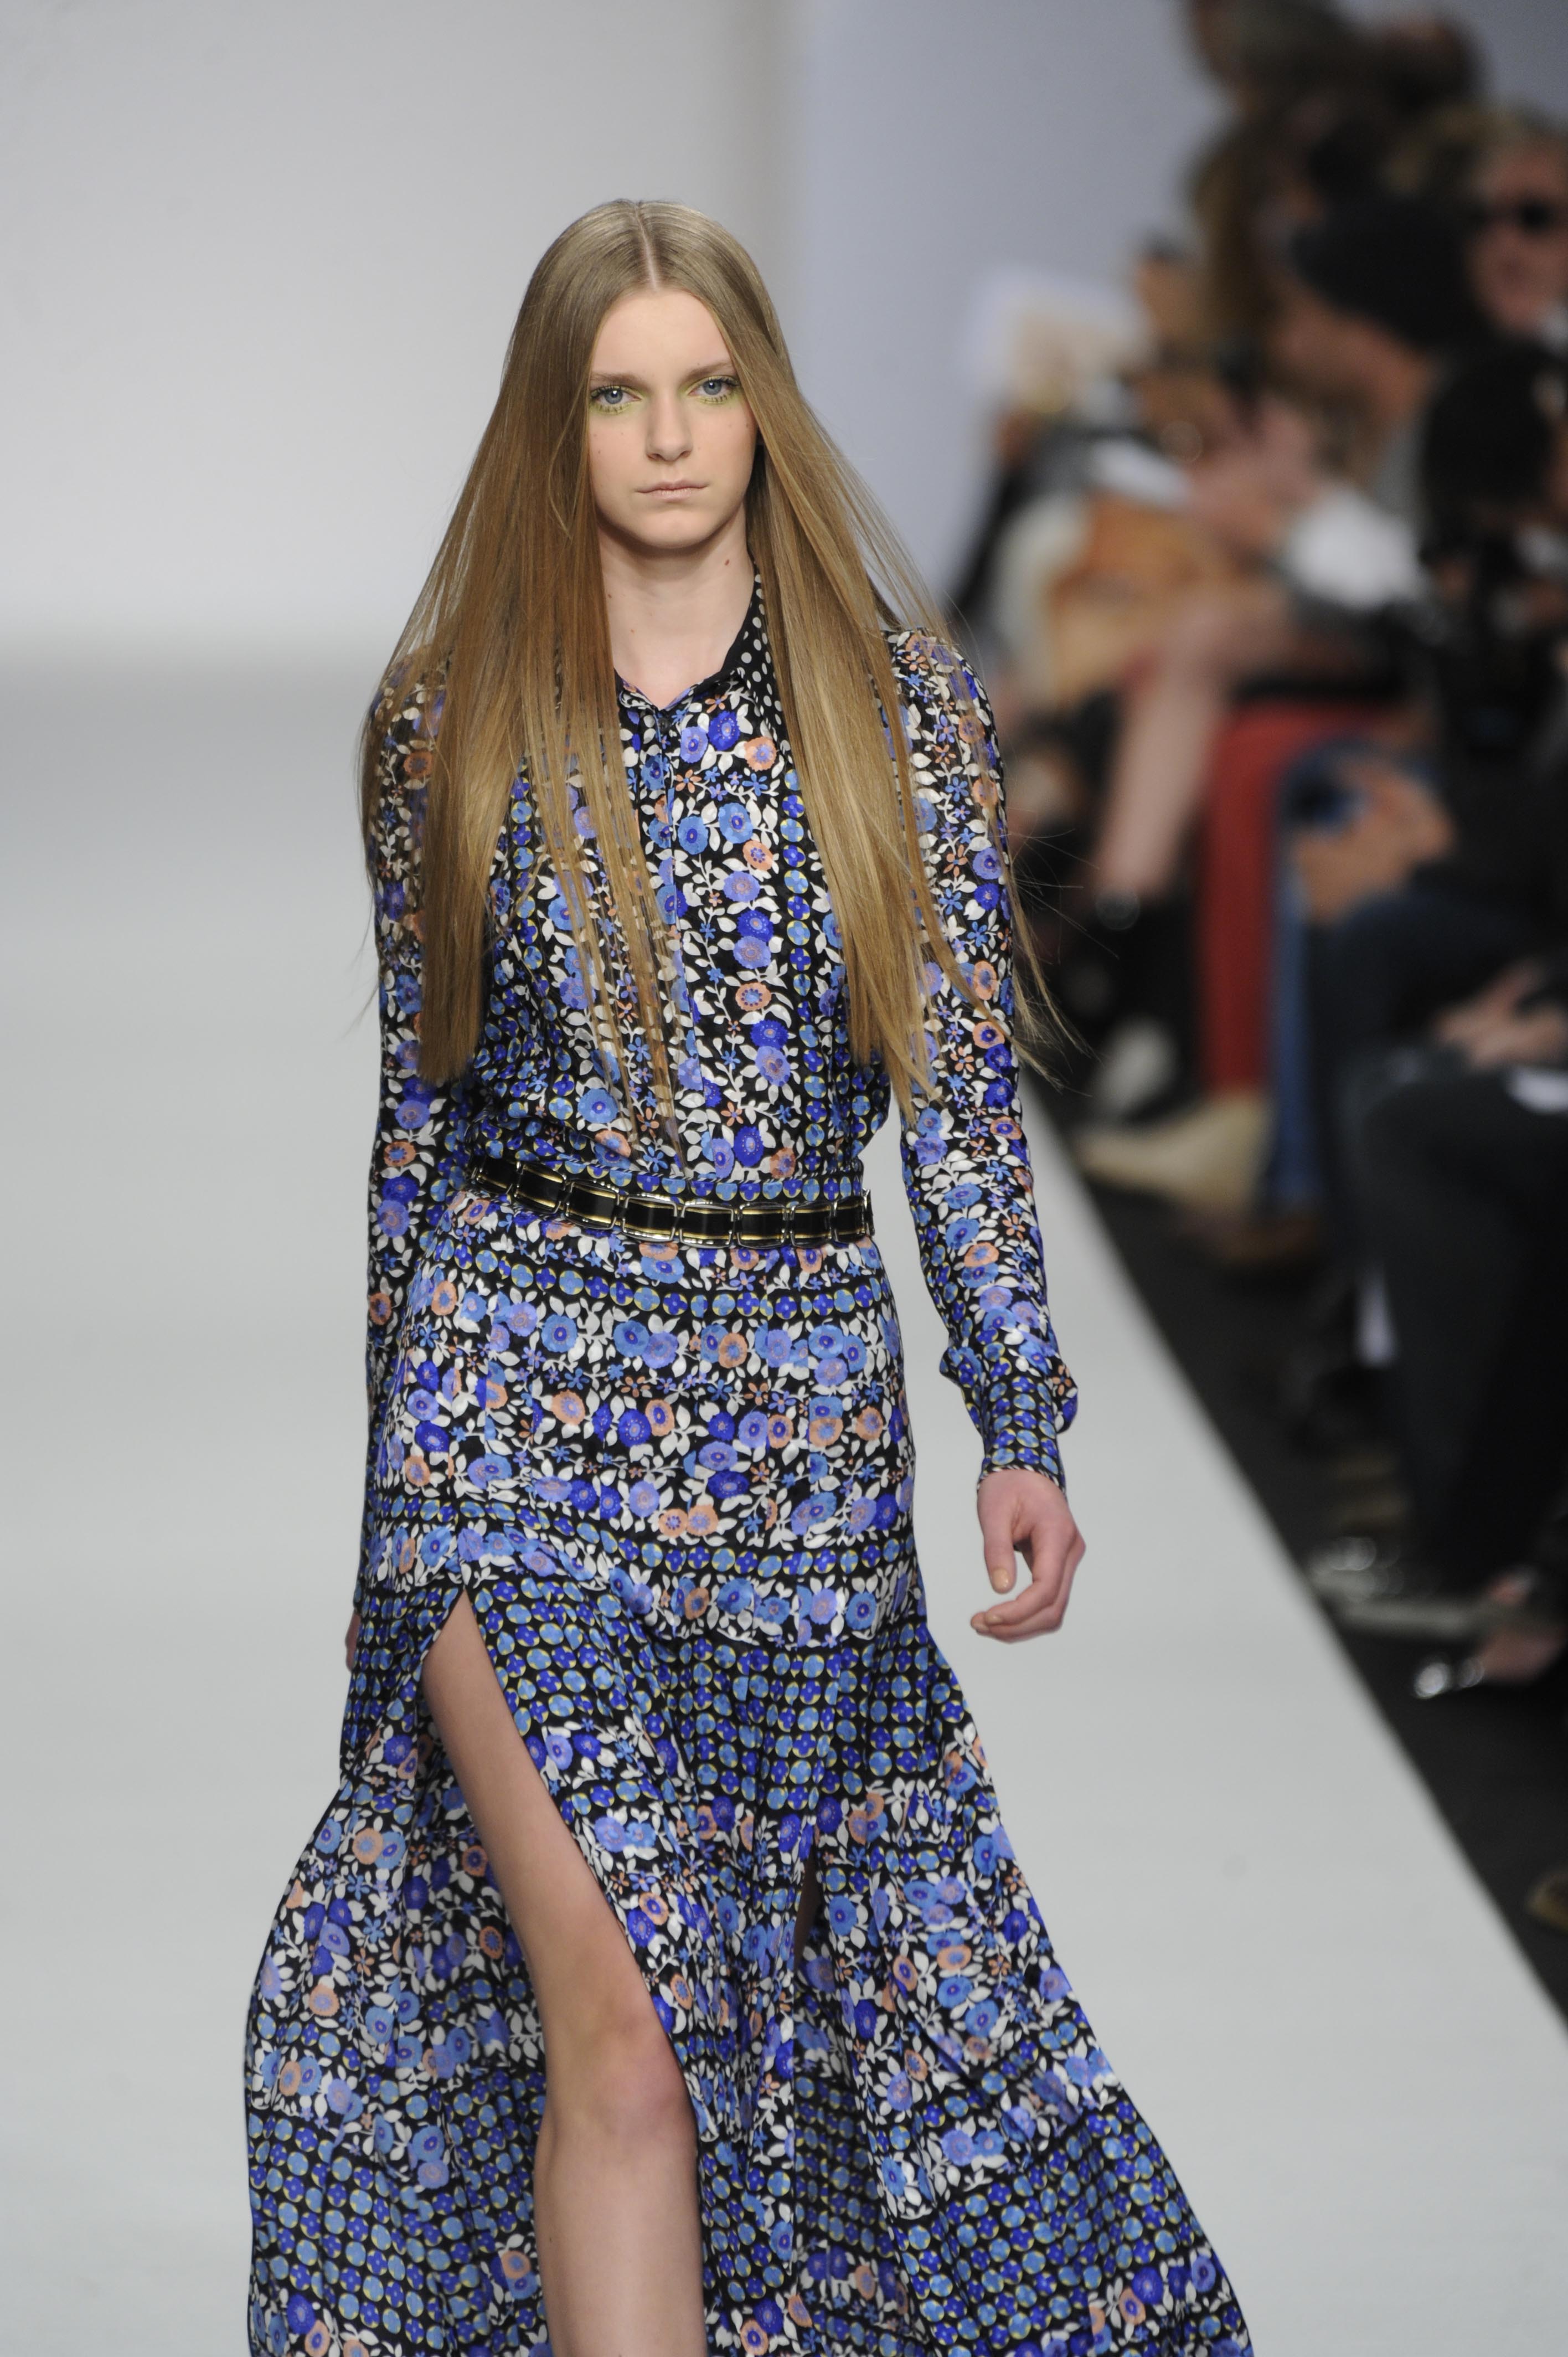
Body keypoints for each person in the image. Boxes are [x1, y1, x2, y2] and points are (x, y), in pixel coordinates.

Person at [243, 203, 1251, 2357]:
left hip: (802, 1442)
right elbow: (417, 1127)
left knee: (759, 2041)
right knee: (620, 2025)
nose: (672, 435)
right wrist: (385, 1523)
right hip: (507, 1431)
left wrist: (1022, 1414)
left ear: (767, 404)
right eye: (619, 393)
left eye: (709, 385)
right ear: (555, 424)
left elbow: (959, 1098)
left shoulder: (899, 720)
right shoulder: (453, 721)